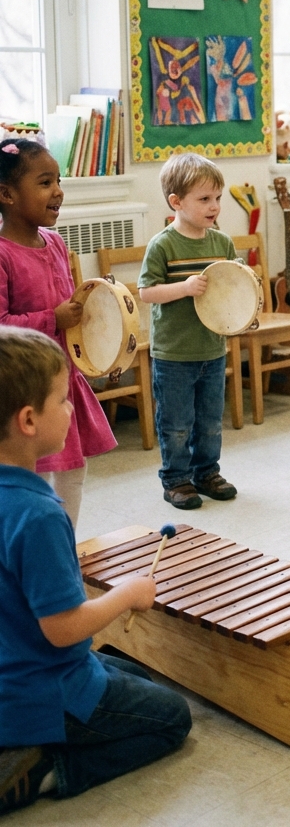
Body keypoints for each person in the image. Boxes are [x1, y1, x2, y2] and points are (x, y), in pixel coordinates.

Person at [0, 326, 191, 815]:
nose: (71, 409)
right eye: (62, 400)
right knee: (172, 717)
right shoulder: (37, 514)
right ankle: (47, 768)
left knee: (131, 670)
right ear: (27, 420)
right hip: (40, 688)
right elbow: (63, 630)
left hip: (12, 669)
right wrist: (127, 593)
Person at [0, 136, 115, 527]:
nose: (58, 191)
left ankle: (64, 543)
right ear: (7, 194)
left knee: (70, 474)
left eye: (59, 180)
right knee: (30, 479)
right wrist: (53, 318)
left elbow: (74, 317)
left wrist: (104, 349)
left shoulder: (55, 242)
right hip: (20, 390)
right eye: (45, 182)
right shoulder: (1, 253)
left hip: (62, 381)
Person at [138, 154, 238, 510]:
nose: (214, 206)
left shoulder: (222, 243)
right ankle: (176, 480)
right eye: (204, 199)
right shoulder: (163, 245)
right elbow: (146, 292)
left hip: (212, 349)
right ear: (176, 202)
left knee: (210, 421)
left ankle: (206, 472)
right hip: (174, 354)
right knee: (177, 423)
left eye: (217, 198)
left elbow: (233, 286)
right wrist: (184, 287)